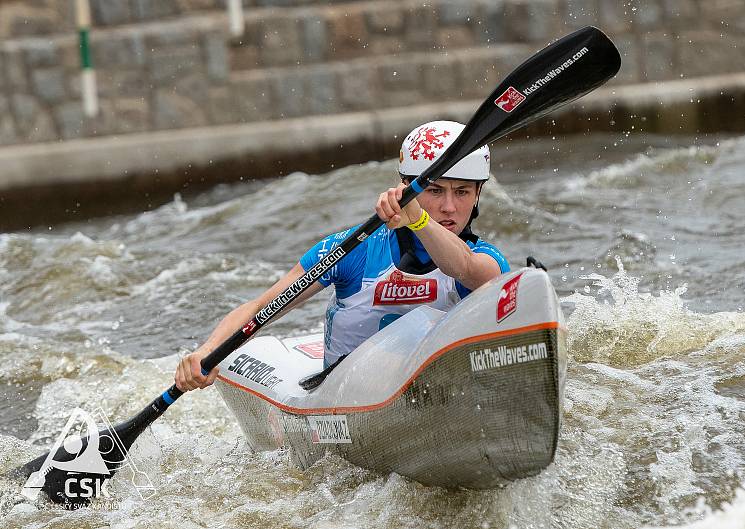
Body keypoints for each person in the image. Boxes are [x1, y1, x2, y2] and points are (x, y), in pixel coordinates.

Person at [175, 120, 510, 392]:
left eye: (463, 192)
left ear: (479, 193)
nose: (449, 207)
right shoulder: (355, 249)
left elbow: (461, 266)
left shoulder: (485, 259)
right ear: (407, 187)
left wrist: (419, 220)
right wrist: (207, 352)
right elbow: (259, 309)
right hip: (344, 390)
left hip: (438, 389)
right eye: (435, 190)